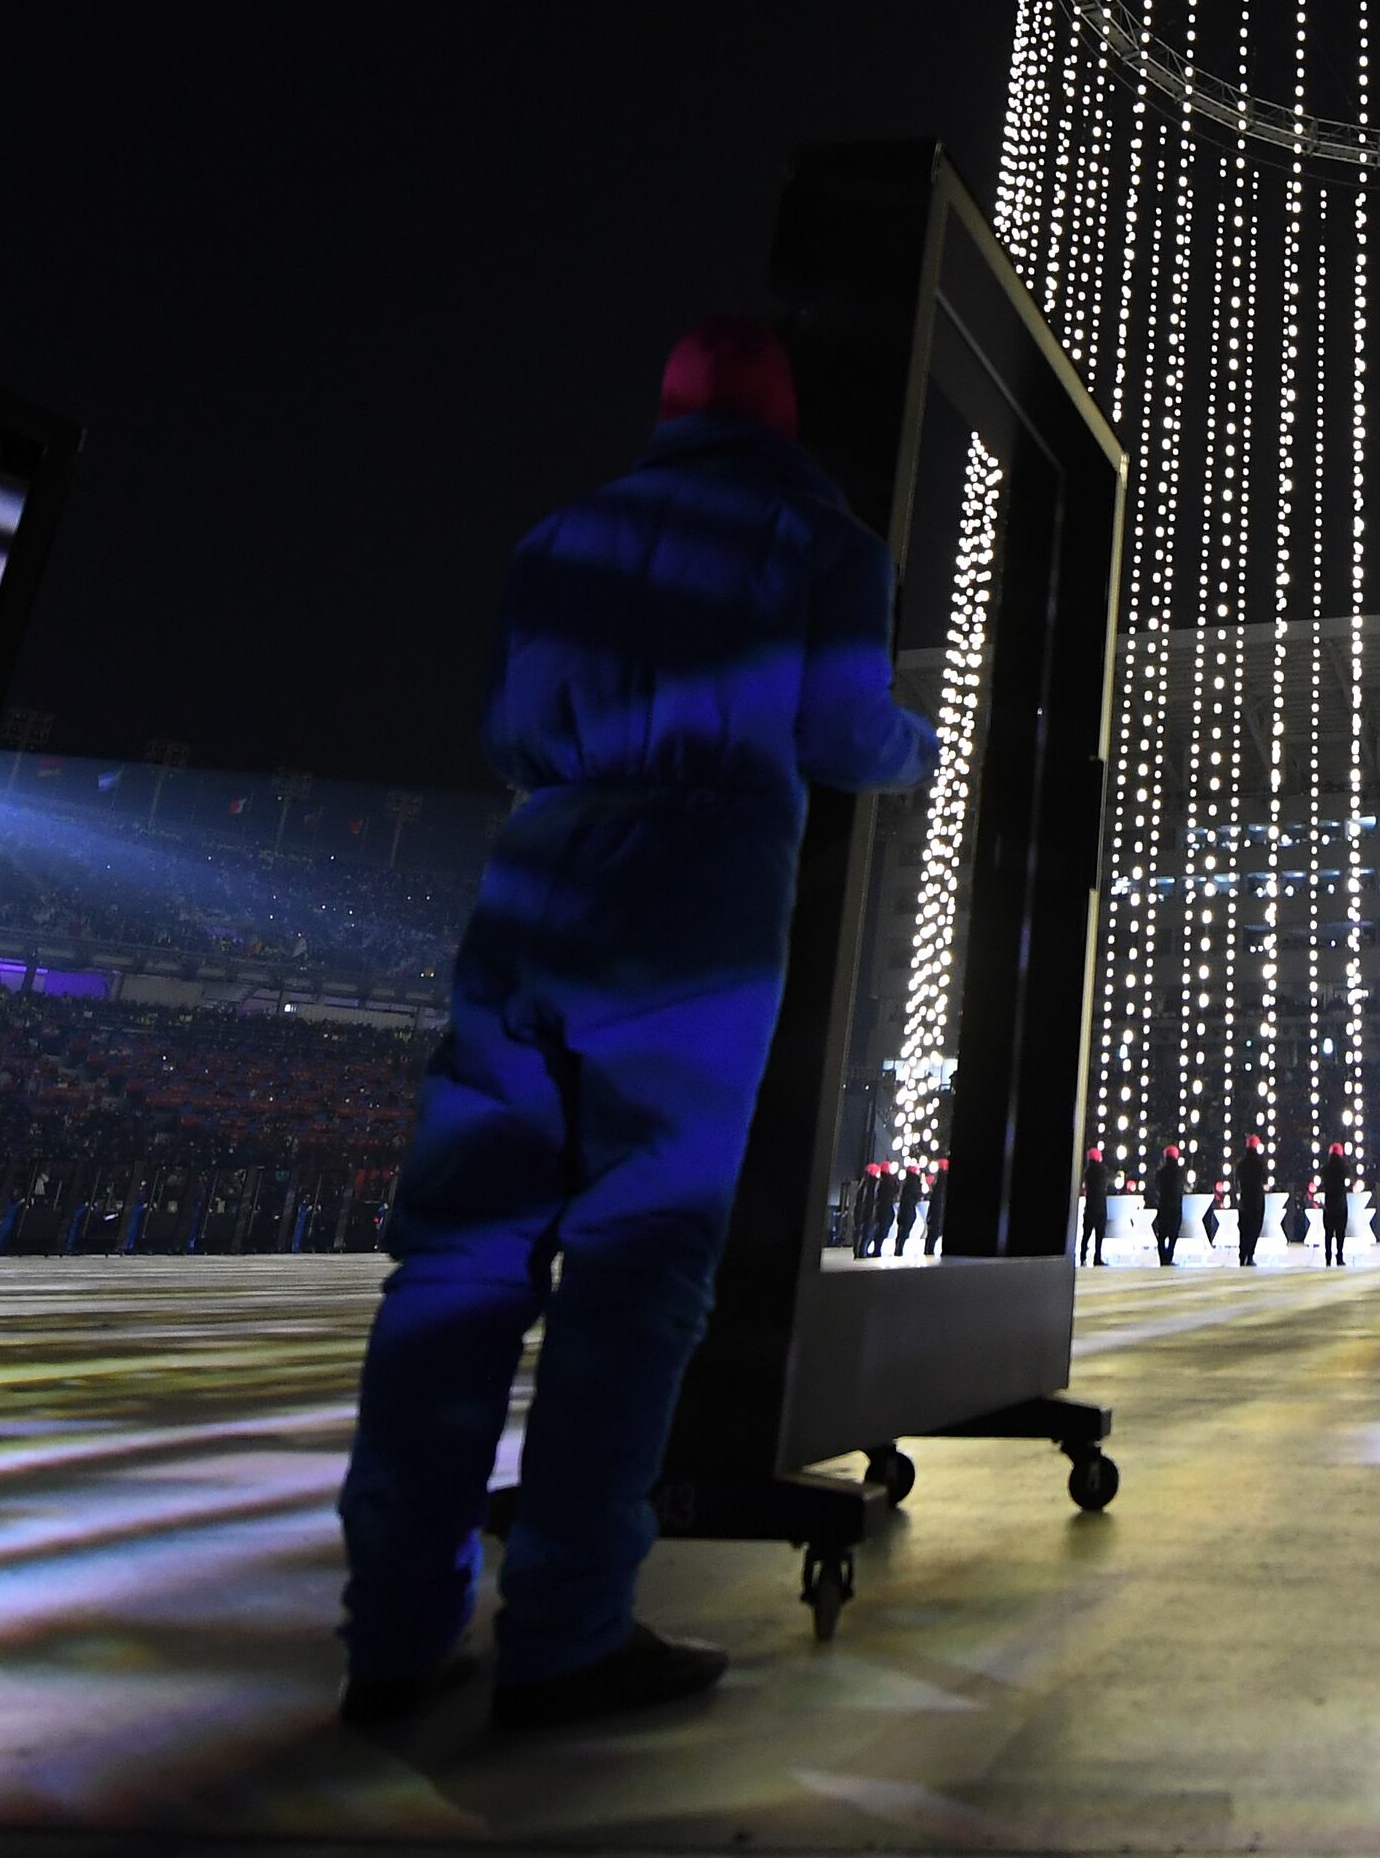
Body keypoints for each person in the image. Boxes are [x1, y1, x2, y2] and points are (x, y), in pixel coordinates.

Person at [336, 318, 935, 1733]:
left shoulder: (560, 535)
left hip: (536, 874)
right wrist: (924, 745)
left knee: (457, 1258)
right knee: (636, 1264)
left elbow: (500, 725)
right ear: (783, 418)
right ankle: (565, 1632)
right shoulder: (815, 532)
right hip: (697, 898)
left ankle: (394, 1635)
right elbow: (848, 734)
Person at [1232, 1133, 1270, 1269]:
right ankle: (1250, 1255)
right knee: (1254, 1228)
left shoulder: (1240, 1163)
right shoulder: (1260, 1163)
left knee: (1244, 1229)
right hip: (1257, 1199)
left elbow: (1236, 1182)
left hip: (1244, 1199)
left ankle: (1242, 1256)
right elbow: (1265, 1183)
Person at [1147, 1143, 1187, 1268]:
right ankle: (1169, 1257)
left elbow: (1156, 1187)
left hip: (1163, 1205)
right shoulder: (1180, 1172)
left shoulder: (1161, 1172)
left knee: (1162, 1234)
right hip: (1175, 1206)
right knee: (1173, 1234)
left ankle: (1162, 1258)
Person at [1318, 1141, 1354, 1267]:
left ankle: (1328, 1257)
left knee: (1328, 1232)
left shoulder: (1326, 1168)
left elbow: (1321, 1180)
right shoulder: (1344, 1167)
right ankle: (1339, 1256)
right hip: (1340, 1201)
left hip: (1329, 1201)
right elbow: (1350, 1178)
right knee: (1340, 1231)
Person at [1079, 1147, 1110, 1266]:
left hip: (1089, 1205)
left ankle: (1082, 1256)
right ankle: (1097, 1257)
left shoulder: (1087, 1171)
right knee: (1099, 1234)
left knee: (1086, 1234)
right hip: (1100, 1205)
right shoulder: (1103, 1170)